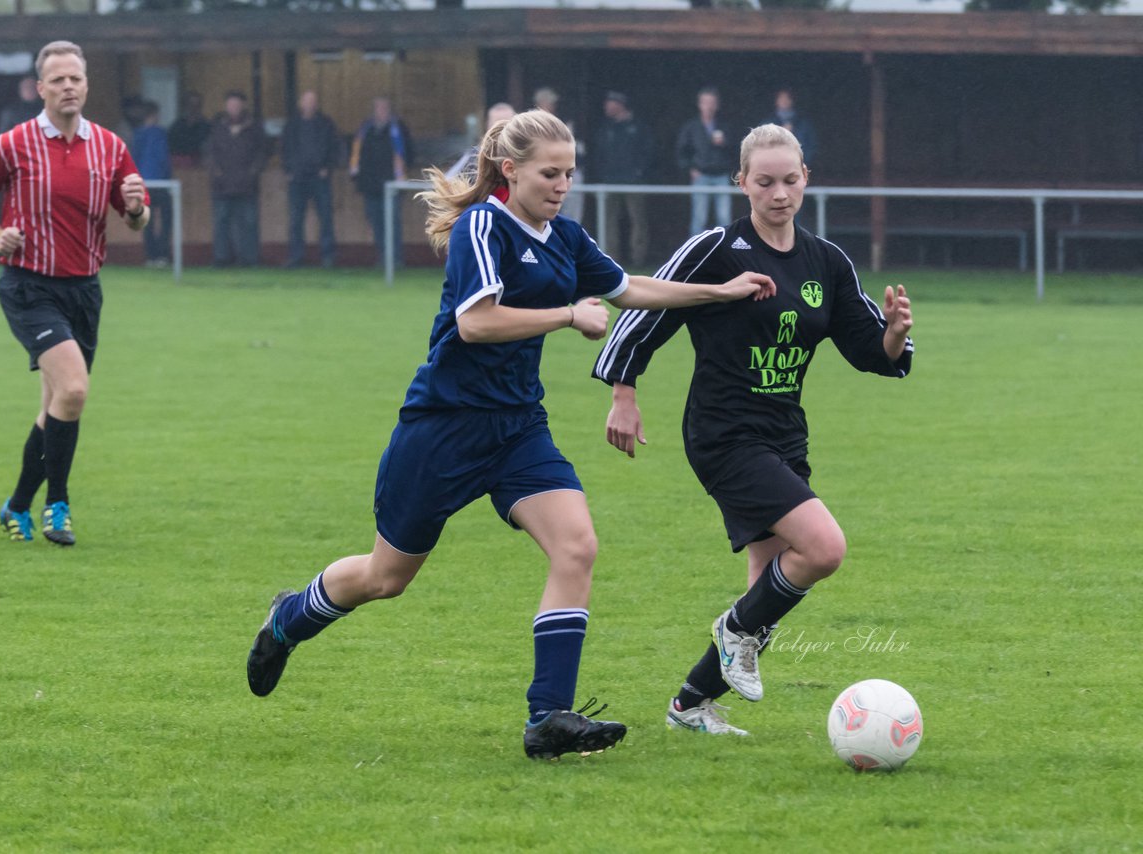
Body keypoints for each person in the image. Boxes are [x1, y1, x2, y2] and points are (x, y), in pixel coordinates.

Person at [245, 109, 775, 760]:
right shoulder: (481, 227)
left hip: (518, 427)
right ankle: (287, 619)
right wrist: (567, 315)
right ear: (509, 170)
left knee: (577, 546)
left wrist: (719, 291)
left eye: (570, 174)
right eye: (549, 173)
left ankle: (548, 717)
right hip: (443, 427)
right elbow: (477, 323)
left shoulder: (564, 236)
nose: (562, 185)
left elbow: (628, 289)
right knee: (386, 577)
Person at [592, 123, 913, 737]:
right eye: (764, 182)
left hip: (784, 435)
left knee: (767, 585)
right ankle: (733, 632)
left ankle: (692, 703)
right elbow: (644, 310)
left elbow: (869, 348)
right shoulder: (715, 248)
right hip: (723, 435)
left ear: (806, 180)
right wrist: (623, 392)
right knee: (823, 549)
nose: (779, 194)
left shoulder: (827, 261)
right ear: (741, 183)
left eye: (790, 181)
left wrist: (894, 334)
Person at [0, 40, 149, 547]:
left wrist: (135, 207)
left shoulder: (108, 146)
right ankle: (56, 506)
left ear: (86, 85)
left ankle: (16, 505)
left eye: (75, 79)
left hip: (84, 290)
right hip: (28, 285)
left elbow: (136, 217)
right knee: (75, 391)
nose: (67, 87)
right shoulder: (15, 143)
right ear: (40, 88)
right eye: (57, 79)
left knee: (57, 405)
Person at [587, 91, 652, 268]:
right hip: (609, 182)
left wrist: (639, 172)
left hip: (633, 182)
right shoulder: (604, 128)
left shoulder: (638, 127)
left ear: (620, 104)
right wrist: (601, 175)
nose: (606, 107)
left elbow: (648, 152)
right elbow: (598, 155)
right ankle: (610, 260)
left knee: (637, 221)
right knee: (609, 221)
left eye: (610, 103)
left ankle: (638, 261)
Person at [205, 90, 267, 267]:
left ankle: (250, 259)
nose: (233, 107)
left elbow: (262, 153)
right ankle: (222, 259)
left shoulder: (254, 127)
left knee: (249, 223)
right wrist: (215, 171)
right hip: (221, 185)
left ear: (243, 106)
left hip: (247, 185)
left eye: (237, 104)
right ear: (226, 106)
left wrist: (253, 172)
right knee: (221, 223)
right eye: (231, 104)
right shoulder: (217, 126)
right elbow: (208, 152)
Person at [349, 96, 413, 267]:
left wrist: (401, 176)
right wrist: (357, 177)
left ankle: (396, 258)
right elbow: (357, 156)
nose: (381, 111)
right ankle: (383, 257)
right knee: (376, 222)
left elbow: (407, 153)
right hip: (371, 185)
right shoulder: (365, 129)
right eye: (378, 107)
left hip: (392, 184)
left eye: (385, 107)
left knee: (393, 223)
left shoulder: (398, 129)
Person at [281, 89, 338, 269]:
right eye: (307, 101)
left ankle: (328, 256)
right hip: (297, 177)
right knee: (296, 219)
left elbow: (334, 148)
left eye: (313, 101)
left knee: (326, 217)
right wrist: (288, 170)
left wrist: (327, 168)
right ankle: (296, 256)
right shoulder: (291, 125)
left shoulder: (326, 124)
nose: (310, 104)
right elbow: (283, 149)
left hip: (319, 177)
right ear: (300, 103)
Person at [676, 86, 735, 234]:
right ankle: (695, 254)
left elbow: (737, 150)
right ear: (699, 104)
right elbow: (681, 151)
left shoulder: (725, 126)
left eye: (712, 102)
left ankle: (726, 254)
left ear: (717, 105)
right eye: (705, 102)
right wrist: (690, 168)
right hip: (701, 175)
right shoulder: (691, 127)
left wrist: (725, 143)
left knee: (724, 218)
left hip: (721, 176)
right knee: (699, 219)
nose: (708, 106)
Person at [532, 87, 584, 222]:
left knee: (570, 214)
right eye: (549, 102)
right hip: (542, 173)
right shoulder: (529, 125)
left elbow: (576, 150)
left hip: (565, 172)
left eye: (552, 103)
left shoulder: (564, 124)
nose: (551, 106)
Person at [132, 100, 172, 267]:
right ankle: (163, 255)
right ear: (154, 115)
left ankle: (150, 256)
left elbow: (133, 157)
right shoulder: (159, 133)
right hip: (160, 182)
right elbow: (163, 158)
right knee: (166, 218)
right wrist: (168, 176)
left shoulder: (137, 134)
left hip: (143, 182)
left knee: (146, 221)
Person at [444, 102, 514, 180]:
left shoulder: (524, 154)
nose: (501, 129)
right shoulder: (475, 155)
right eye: (497, 124)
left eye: (505, 123)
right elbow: (448, 181)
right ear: (488, 125)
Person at [764, 87, 818, 166]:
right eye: (781, 98)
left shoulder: (803, 123)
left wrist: (801, 162)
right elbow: (759, 146)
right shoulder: (767, 123)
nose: (784, 100)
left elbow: (812, 145)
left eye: (787, 98)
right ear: (776, 101)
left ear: (792, 100)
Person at [168, 91, 210, 168]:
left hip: (200, 167)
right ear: (186, 106)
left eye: (197, 105)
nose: (194, 108)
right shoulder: (177, 125)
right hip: (179, 166)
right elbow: (171, 146)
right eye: (191, 104)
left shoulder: (207, 126)